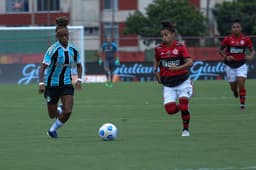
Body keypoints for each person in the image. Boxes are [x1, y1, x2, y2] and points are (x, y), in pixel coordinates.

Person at [38, 16, 83, 138]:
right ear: (57, 37)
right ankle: (58, 110)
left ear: (68, 35)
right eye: (61, 36)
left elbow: (79, 65)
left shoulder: (74, 50)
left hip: (66, 84)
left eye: (66, 35)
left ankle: (52, 130)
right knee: (52, 115)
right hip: (51, 85)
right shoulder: (52, 50)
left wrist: (79, 80)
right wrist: (41, 83)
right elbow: (42, 67)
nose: (64, 38)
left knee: (68, 111)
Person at [154, 21, 193, 137]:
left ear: (173, 35)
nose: (164, 37)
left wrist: (178, 68)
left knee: (184, 106)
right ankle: (183, 106)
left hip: (183, 82)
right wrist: (155, 71)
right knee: (170, 110)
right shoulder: (159, 49)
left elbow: (190, 62)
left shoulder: (180, 47)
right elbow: (156, 59)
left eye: (166, 35)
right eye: (162, 35)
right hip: (168, 85)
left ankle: (185, 130)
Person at [218, 19, 255, 110]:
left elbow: (253, 50)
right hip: (230, 66)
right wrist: (226, 57)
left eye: (237, 27)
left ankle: (242, 105)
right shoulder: (227, 39)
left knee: (241, 84)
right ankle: (235, 91)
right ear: (231, 29)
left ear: (241, 28)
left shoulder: (245, 39)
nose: (235, 29)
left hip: (241, 65)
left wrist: (251, 56)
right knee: (233, 86)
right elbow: (219, 50)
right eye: (234, 27)